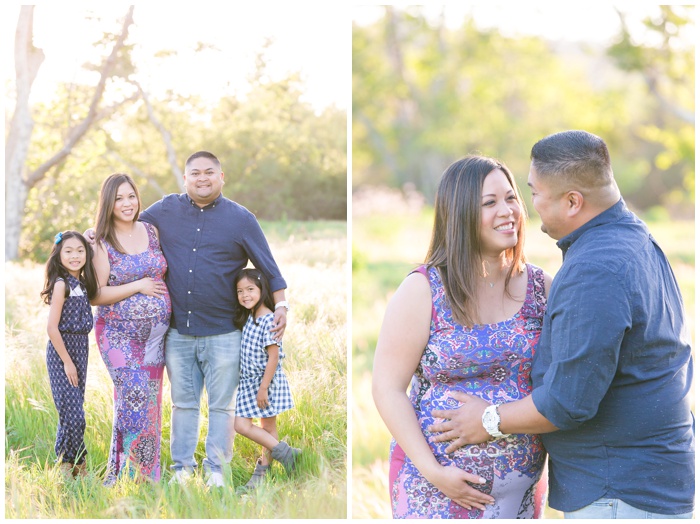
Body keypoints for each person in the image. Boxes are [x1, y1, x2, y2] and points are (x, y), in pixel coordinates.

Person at [427, 130, 695, 519]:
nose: (527, 207)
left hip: (618, 494)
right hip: (641, 487)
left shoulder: (594, 269)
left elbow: (569, 402)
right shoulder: (634, 240)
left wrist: (488, 419)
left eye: (532, 194)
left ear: (573, 202)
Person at [373, 155, 552, 518]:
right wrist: (435, 473)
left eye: (511, 198)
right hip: (435, 489)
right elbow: (387, 388)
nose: (508, 211)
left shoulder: (541, 288)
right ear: (460, 214)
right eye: (490, 203)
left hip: (520, 492)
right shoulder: (423, 290)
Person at [137, 151, 288, 488]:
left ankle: (216, 471)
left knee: (222, 407)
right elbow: (126, 221)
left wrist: (282, 307)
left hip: (224, 332)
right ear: (185, 178)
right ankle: (182, 469)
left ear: (222, 177)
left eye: (209, 172)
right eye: (195, 173)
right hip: (179, 332)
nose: (202, 178)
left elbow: (269, 267)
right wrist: (93, 234)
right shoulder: (164, 210)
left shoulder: (241, 218)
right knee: (183, 404)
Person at [91, 173, 171, 485]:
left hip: (154, 338)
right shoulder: (100, 241)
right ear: (108, 204)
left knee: (150, 403)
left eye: (131, 196)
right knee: (134, 398)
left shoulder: (151, 231)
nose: (127, 203)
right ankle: (126, 476)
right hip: (117, 335)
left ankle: (145, 478)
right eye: (119, 198)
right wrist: (139, 284)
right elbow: (97, 293)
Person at [233, 268, 299, 490]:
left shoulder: (270, 319)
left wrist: (263, 388)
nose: (245, 295)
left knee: (261, 427)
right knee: (251, 427)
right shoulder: (249, 318)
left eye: (250, 289)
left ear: (262, 290)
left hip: (265, 382)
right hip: (249, 382)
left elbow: (274, 356)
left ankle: (263, 472)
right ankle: (287, 454)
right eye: (240, 291)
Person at [41, 231, 98, 479]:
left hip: (80, 349)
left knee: (70, 411)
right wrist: (67, 362)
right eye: (68, 251)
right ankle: (77, 464)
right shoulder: (62, 283)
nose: (75, 256)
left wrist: (93, 241)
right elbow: (52, 328)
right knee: (74, 415)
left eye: (80, 250)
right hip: (62, 351)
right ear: (59, 254)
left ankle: (66, 468)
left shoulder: (83, 284)